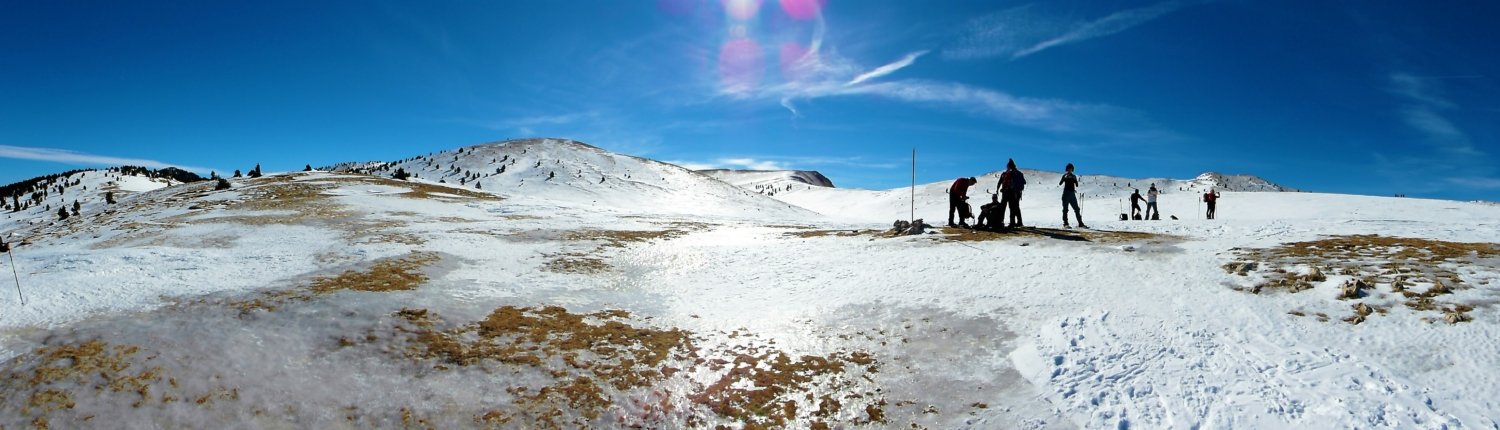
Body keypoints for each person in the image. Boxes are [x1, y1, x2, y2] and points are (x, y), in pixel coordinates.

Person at [998, 159, 1026, 228]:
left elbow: (1002, 182)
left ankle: (1005, 222)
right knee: (1014, 207)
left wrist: (1001, 189)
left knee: (1009, 207)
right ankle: (1017, 222)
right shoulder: (1018, 173)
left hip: (1010, 193)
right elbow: (1023, 182)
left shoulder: (1008, 173)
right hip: (1015, 193)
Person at [1059, 163, 1087, 228]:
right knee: (1065, 209)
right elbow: (1060, 183)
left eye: (1071, 169)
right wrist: (1065, 178)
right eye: (1068, 168)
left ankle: (1080, 223)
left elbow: (1077, 185)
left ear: (1072, 169)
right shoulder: (1064, 176)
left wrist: (1074, 180)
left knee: (1077, 209)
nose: (1069, 170)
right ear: (1067, 169)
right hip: (1066, 194)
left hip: (1072, 194)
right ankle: (1065, 224)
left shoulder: (1074, 176)